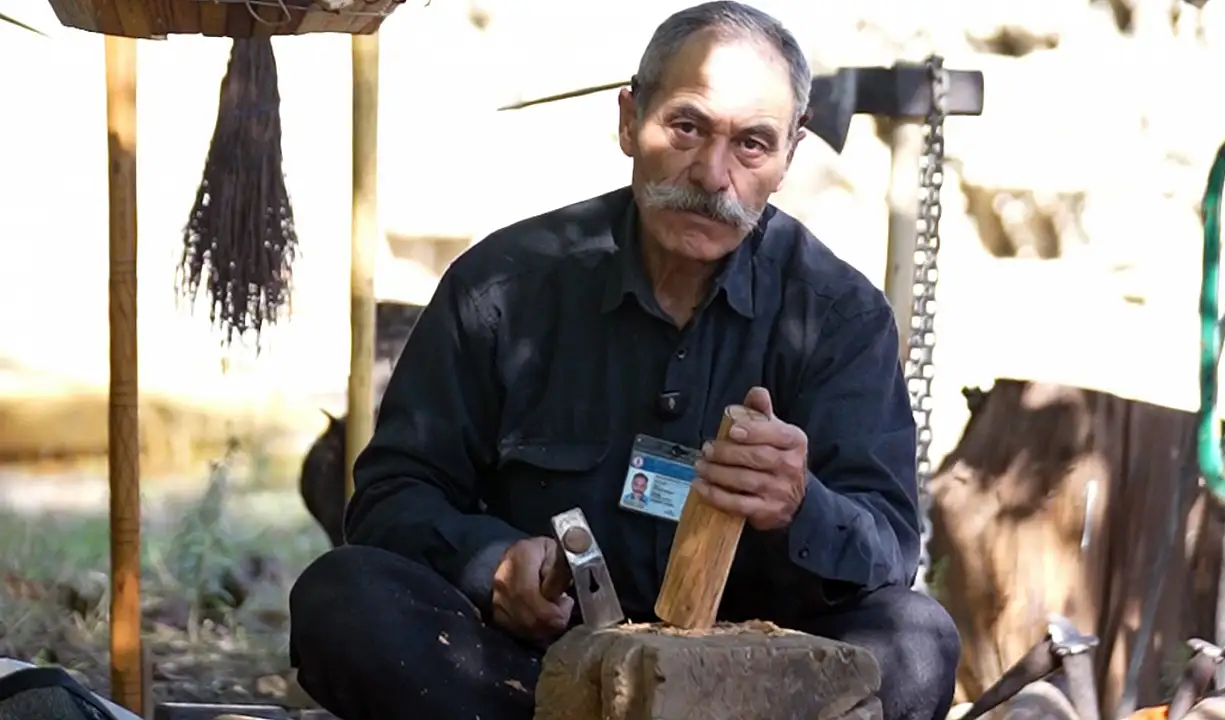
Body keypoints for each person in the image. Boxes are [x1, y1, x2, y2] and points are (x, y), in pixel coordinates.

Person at [288, 2, 961, 719]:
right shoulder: (503, 287)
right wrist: (492, 564)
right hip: (534, 679)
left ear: (788, 157)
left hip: (755, 686)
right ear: (629, 119)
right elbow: (393, 496)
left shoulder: (838, 316)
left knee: (916, 641)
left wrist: (800, 505)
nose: (713, 174)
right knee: (343, 596)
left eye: (751, 145)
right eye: (687, 127)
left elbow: (890, 551)